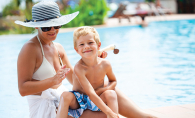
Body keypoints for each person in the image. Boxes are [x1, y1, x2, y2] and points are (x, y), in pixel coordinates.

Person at [16, 1, 156, 118]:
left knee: (108, 88)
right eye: (47, 27)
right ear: (36, 26)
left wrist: (93, 61)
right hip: (45, 107)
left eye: (56, 25)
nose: (53, 30)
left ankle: (143, 116)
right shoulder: (30, 48)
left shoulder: (58, 48)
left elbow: (74, 79)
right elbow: (22, 89)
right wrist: (52, 81)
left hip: (64, 99)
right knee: (106, 114)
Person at [56, 26, 119, 118]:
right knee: (65, 95)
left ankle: (114, 116)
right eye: (81, 44)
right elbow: (90, 93)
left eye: (90, 42)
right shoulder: (79, 67)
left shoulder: (105, 64)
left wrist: (103, 90)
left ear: (98, 45)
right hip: (79, 100)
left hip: (97, 97)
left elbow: (113, 81)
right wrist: (108, 112)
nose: (86, 46)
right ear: (76, 50)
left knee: (111, 94)